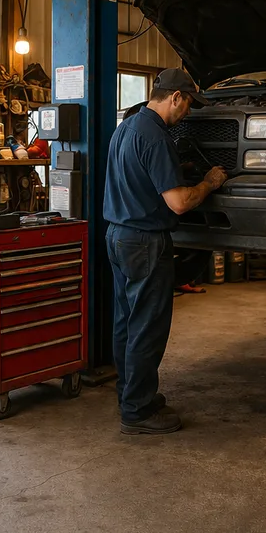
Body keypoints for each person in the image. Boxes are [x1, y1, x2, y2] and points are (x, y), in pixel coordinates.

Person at [103, 68, 227, 435]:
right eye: (188, 104)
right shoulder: (156, 137)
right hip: (145, 242)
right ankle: (138, 411)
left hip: (117, 236)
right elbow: (179, 202)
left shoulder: (126, 127)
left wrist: (174, 169)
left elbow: (137, 175)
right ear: (175, 97)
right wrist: (209, 182)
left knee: (126, 323)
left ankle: (130, 395)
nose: (187, 113)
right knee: (148, 327)